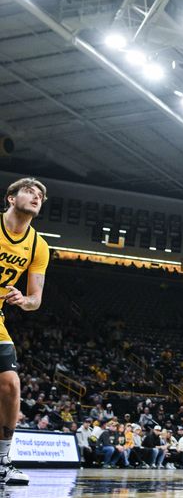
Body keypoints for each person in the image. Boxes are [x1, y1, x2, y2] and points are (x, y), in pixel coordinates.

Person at [0, 178, 50, 485]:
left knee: (10, 385)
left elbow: (36, 300)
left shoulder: (38, 246)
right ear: (10, 198)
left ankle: (3, 461)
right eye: (29, 192)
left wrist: (24, 299)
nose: (36, 197)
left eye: (40, 196)